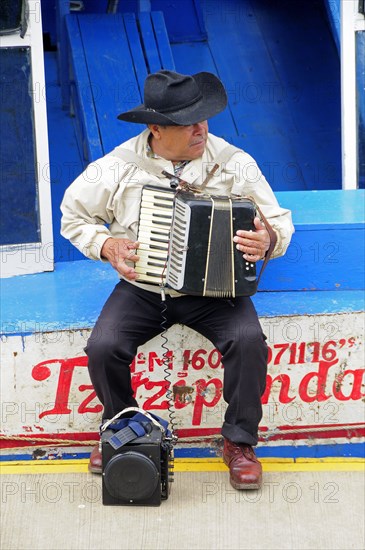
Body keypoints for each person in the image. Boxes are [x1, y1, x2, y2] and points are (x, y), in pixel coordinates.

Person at [61, 70, 294, 490]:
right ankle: (122, 430)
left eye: (203, 118)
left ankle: (239, 442)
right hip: (145, 288)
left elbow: (277, 220)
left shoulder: (233, 162)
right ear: (155, 129)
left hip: (216, 292)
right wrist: (107, 245)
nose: (200, 129)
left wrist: (268, 239)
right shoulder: (116, 167)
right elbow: (73, 216)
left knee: (248, 342)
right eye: (188, 122)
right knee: (103, 346)